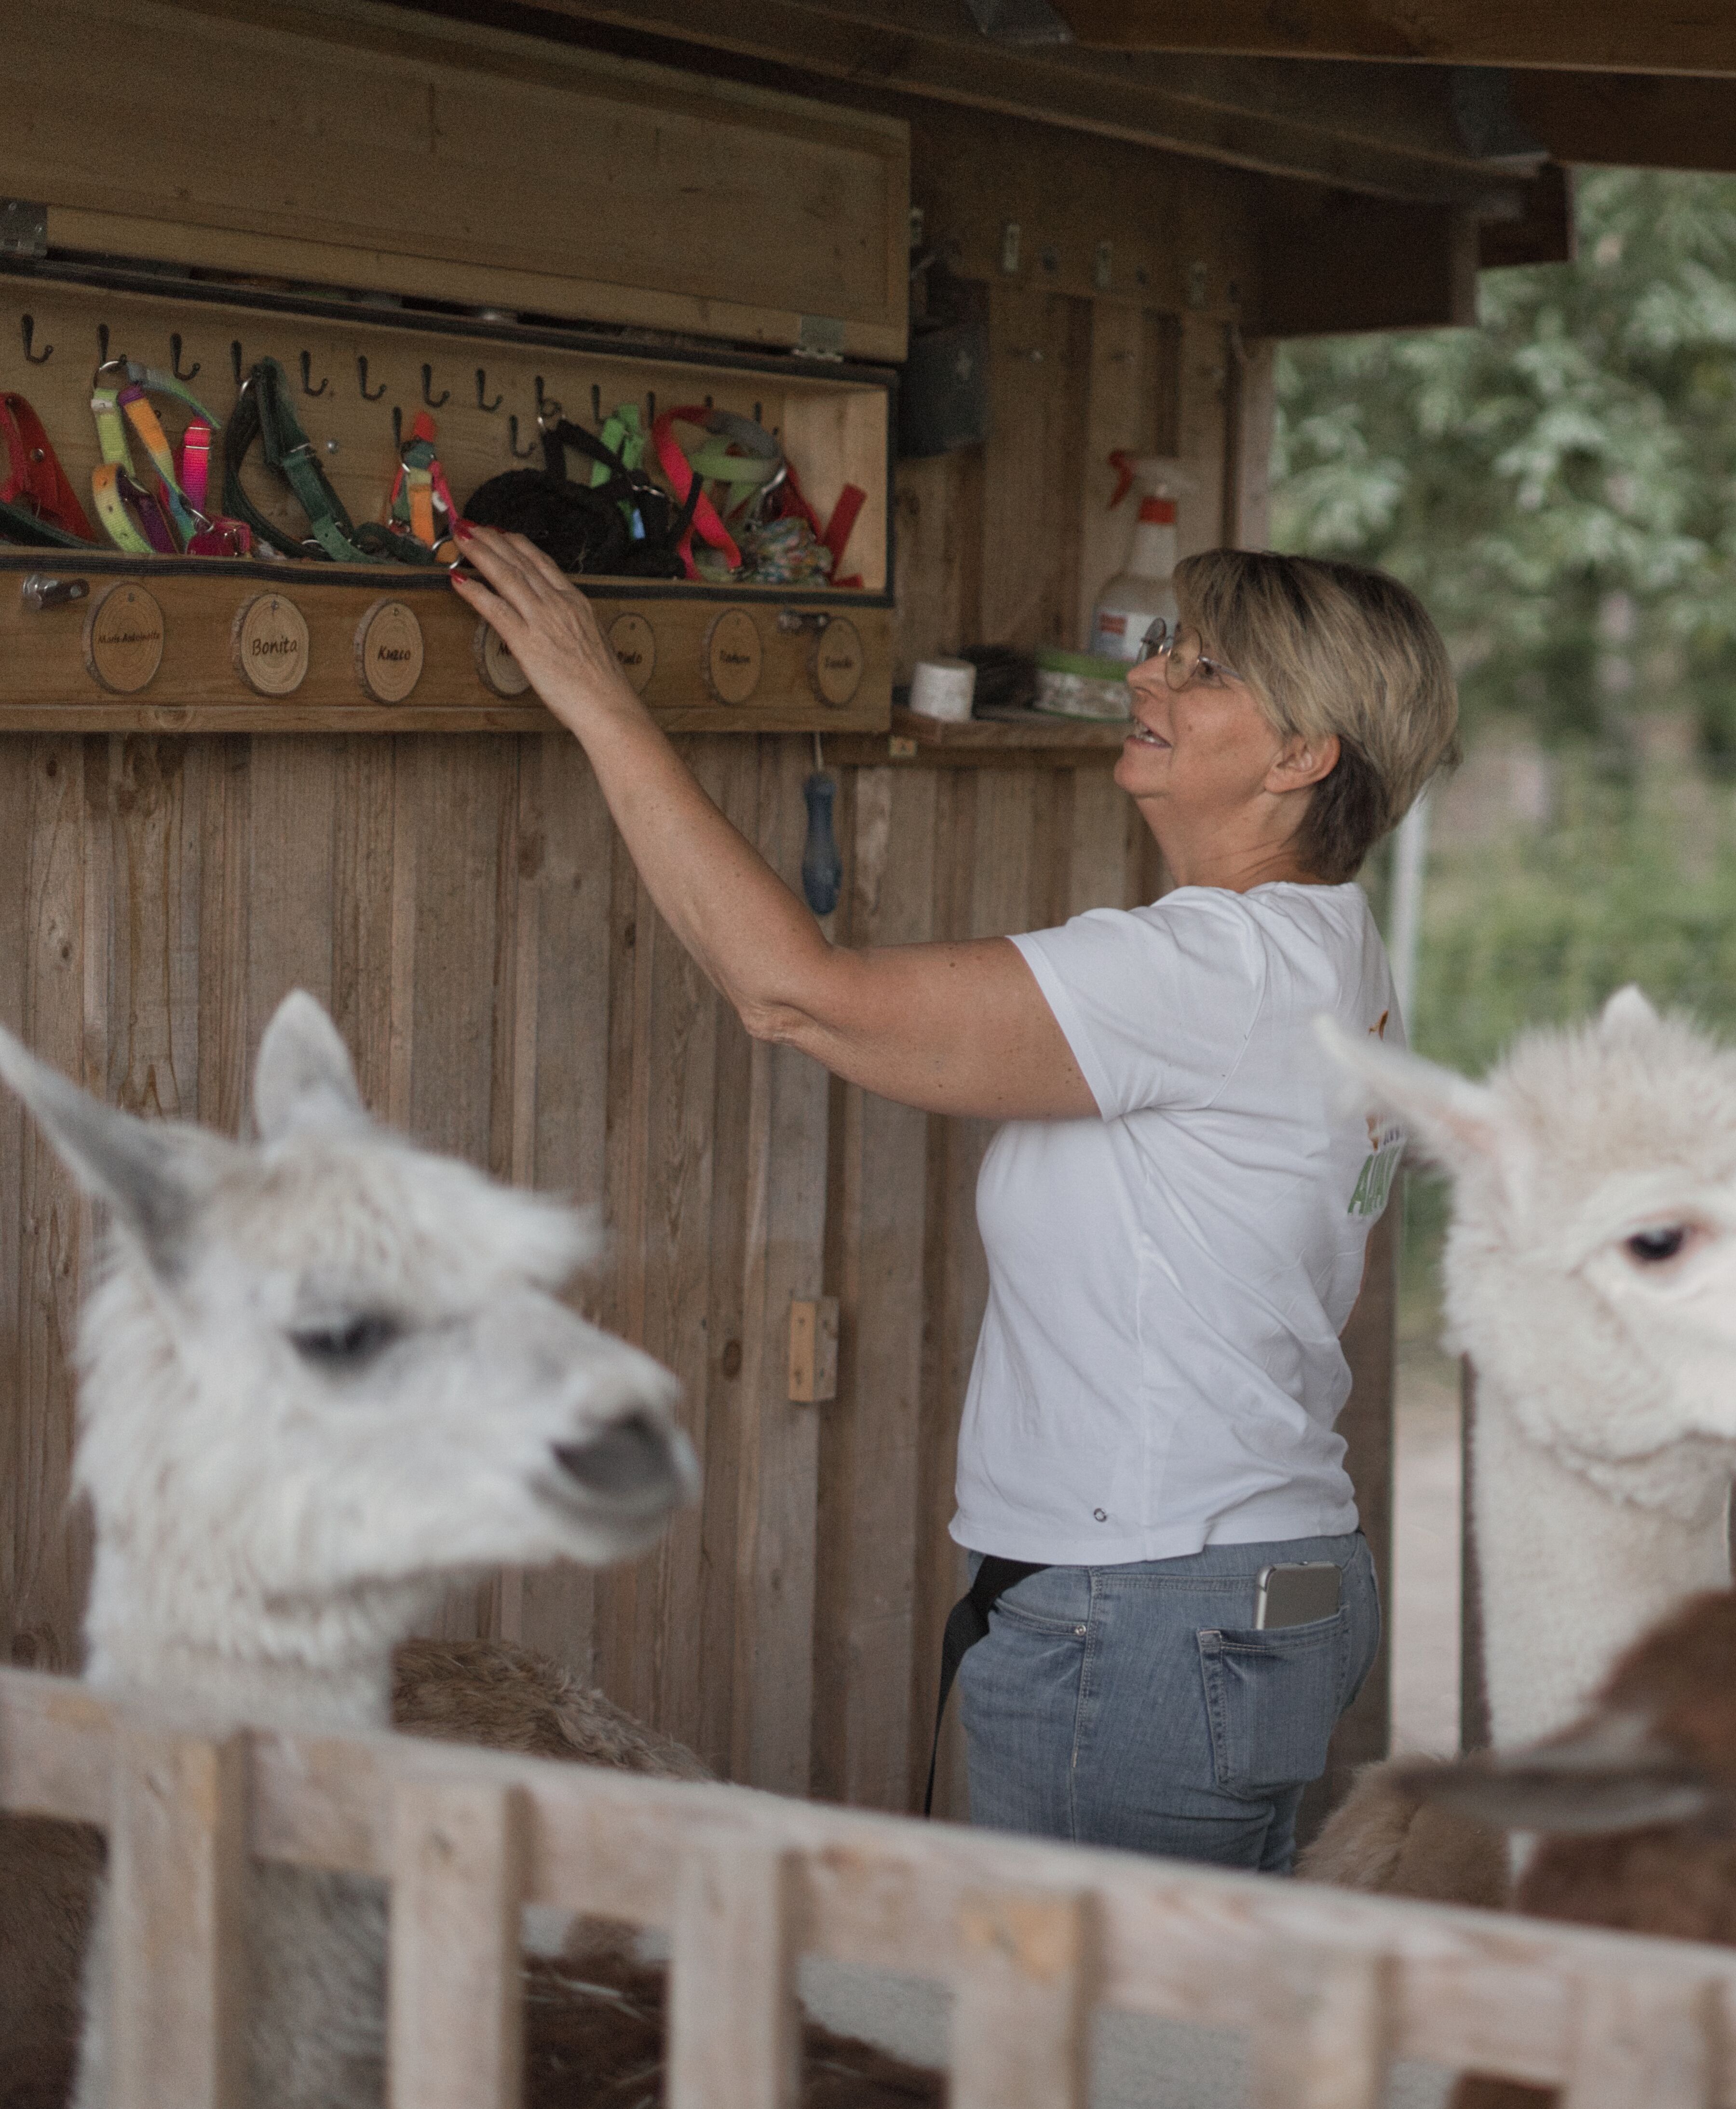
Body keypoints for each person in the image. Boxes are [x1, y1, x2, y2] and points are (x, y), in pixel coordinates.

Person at [453, 525, 1459, 1870]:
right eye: (1166, 646)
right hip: (1242, 1584)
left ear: (1301, 756)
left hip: (1155, 1602)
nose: (1148, 680)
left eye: (1201, 669)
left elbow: (794, 991)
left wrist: (592, 688)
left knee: (1092, 2057)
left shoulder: (1214, 967)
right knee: (1182, 2046)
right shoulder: (1331, 950)